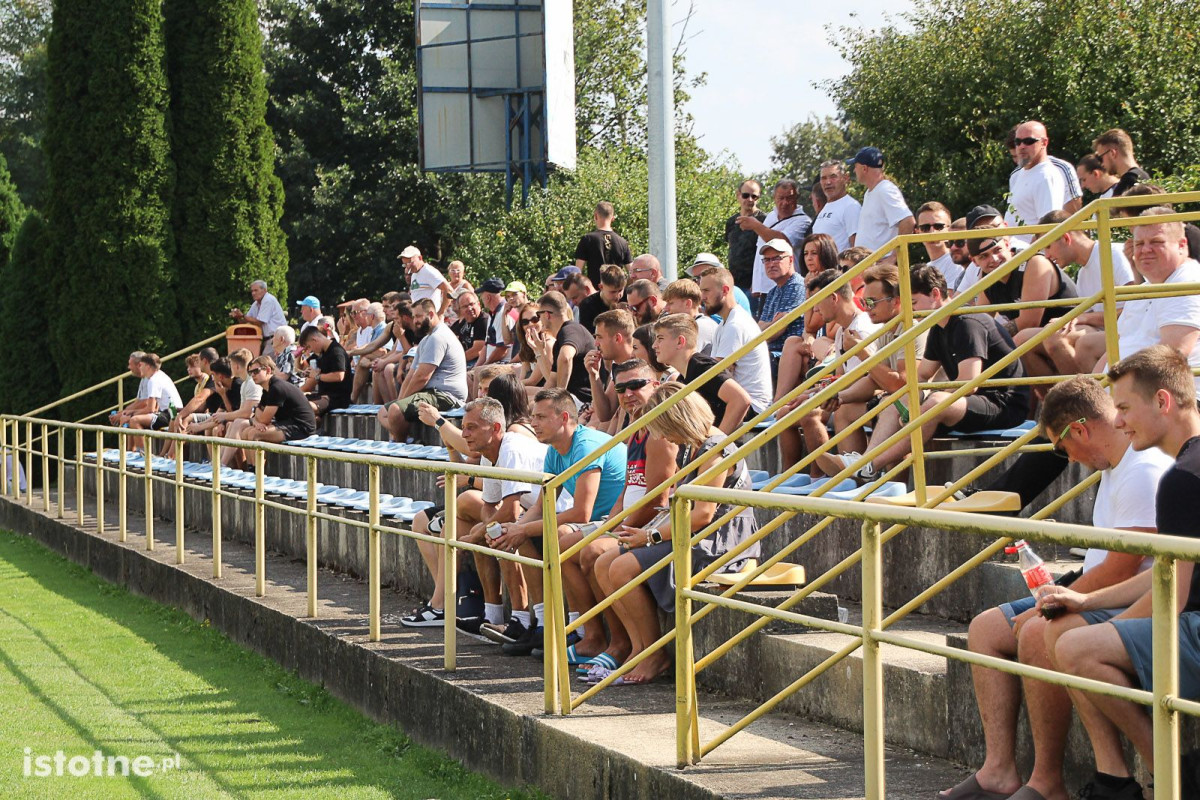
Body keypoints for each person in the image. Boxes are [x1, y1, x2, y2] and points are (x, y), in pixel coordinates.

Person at [940, 375, 1172, 800]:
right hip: (1102, 588)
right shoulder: (1117, 465)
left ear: (1079, 430)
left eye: (1061, 448)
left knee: (1037, 631)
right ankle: (998, 772)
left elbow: (1121, 571)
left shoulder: (1142, 470)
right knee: (986, 629)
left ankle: (1048, 782)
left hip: (1132, 597)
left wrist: (1058, 603)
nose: (1069, 458)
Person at [1044, 347, 1200, 799]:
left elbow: (1174, 595)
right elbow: (1170, 573)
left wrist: (1104, 634)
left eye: (1126, 408)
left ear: (1164, 402)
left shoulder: (1182, 478)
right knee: (1074, 629)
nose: (1118, 421)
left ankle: (1169, 772)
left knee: (1074, 646)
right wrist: (1087, 601)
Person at [590, 383, 760, 684]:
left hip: (719, 540)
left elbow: (703, 515)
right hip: (695, 532)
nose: (661, 437)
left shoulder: (714, 448)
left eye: (663, 427)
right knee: (604, 562)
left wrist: (650, 536)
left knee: (622, 567)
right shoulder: (693, 446)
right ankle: (640, 648)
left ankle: (655, 653)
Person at [848, 264, 1029, 481]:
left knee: (935, 403)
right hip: (971, 402)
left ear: (935, 294)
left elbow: (969, 383)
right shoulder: (937, 326)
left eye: (913, 303)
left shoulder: (967, 322)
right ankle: (865, 465)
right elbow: (922, 376)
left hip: (1003, 404)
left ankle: (870, 466)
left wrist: (924, 402)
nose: (911, 312)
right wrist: (906, 402)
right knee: (898, 400)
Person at [488, 388, 628, 656]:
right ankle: (543, 624)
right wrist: (513, 530)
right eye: (532, 416)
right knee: (526, 534)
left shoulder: (585, 445)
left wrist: (522, 527)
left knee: (562, 534)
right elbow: (542, 506)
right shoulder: (554, 450)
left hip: (620, 520)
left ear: (563, 418)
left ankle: (587, 632)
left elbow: (582, 513)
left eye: (540, 417)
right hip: (600, 521)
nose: (533, 423)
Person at [401, 396, 551, 632]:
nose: (464, 434)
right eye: (463, 428)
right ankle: (493, 617)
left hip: (560, 513)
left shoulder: (511, 449)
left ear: (496, 428)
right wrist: (483, 531)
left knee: (502, 535)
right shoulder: (488, 452)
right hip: (539, 512)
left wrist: (480, 533)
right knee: (488, 532)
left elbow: (511, 511)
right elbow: (489, 506)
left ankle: (536, 623)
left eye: (471, 428)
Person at [567, 358, 674, 668]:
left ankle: (625, 643)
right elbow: (629, 490)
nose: (628, 394)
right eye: (621, 388)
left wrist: (618, 530)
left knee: (594, 554)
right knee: (563, 544)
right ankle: (597, 636)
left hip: (650, 523)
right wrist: (610, 524)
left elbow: (657, 499)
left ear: (656, 385)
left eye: (636, 385)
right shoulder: (636, 429)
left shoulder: (660, 434)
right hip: (629, 520)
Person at [783, 269, 881, 470]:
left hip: (865, 397)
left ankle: (824, 477)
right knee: (785, 412)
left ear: (834, 298)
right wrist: (810, 393)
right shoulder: (842, 332)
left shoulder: (861, 329)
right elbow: (841, 377)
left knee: (810, 413)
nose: (815, 308)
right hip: (850, 394)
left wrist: (816, 396)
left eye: (817, 301)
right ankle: (802, 475)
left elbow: (863, 379)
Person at [968, 231, 1079, 379]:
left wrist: (989, 339)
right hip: (1040, 337)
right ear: (974, 261)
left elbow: (1028, 322)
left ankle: (1069, 396)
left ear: (1007, 245)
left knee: (1020, 341)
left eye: (997, 250)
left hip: (1072, 326)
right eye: (984, 256)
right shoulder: (985, 277)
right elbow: (980, 323)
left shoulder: (1033, 262)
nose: (994, 259)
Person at [1038, 209, 1135, 374]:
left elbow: (1135, 309)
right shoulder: (1082, 274)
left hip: (1128, 333)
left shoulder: (1113, 254)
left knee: (1055, 338)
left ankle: (1083, 395)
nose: (1046, 255)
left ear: (1066, 238)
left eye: (1048, 246)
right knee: (1029, 339)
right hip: (1106, 332)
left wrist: (1080, 317)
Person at [383, 298, 467, 442]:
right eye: (414, 316)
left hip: (447, 395)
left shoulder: (438, 338)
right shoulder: (426, 339)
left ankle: (401, 445)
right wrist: (400, 401)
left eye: (419, 316)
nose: (415, 321)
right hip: (432, 393)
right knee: (383, 412)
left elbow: (422, 377)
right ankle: (407, 439)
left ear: (432, 314)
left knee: (395, 411)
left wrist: (399, 405)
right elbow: (411, 375)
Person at [653, 313, 752, 434]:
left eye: (660, 339)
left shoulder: (701, 366)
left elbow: (741, 399)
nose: (654, 345)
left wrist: (716, 443)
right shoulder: (682, 378)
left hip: (726, 449)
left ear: (680, 341)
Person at [701, 267, 772, 414]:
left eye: (707, 291)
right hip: (742, 402)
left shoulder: (735, 325)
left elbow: (718, 374)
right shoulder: (725, 323)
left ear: (725, 290)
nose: (703, 297)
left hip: (752, 406)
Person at [744, 179, 813, 305]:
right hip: (763, 290)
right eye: (781, 198)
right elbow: (761, 250)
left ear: (797, 198)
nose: (785, 203)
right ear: (774, 198)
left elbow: (782, 241)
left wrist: (755, 225)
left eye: (790, 198)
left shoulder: (803, 221)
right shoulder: (771, 216)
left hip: (785, 287)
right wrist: (756, 284)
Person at [1005, 120, 1072, 239]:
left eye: (1028, 141)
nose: (1021, 146)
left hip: (1030, 253)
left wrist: (1031, 255)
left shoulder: (1046, 175)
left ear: (1044, 143)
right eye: (1018, 142)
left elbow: (1048, 227)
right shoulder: (1019, 175)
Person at [529, 291, 597, 405]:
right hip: (574, 399)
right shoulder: (562, 336)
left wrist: (559, 400)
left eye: (538, 315)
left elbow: (565, 357)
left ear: (547, 314)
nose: (539, 320)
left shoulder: (570, 330)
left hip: (583, 402)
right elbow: (552, 380)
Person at [848, 147, 915, 258]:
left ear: (864, 168)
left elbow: (908, 221)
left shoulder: (885, 190)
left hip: (879, 266)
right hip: (870, 265)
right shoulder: (872, 191)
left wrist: (893, 258)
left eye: (855, 166)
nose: (854, 171)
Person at [239, 356, 317, 444]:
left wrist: (256, 422)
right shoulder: (267, 389)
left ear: (268, 370)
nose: (252, 375)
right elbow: (258, 415)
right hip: (288, 424)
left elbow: (264, 420)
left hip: (302, 428)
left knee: (253, 434)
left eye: (256, 371)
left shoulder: (277, 388)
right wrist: (256, 422)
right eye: (250, 372)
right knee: (246, 432)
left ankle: (257, 458)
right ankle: (252, 459)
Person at [584, 308, 637, 431]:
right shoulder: (619, 365)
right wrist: (594, 376)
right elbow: (605, 414)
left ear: (617, 338)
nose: (596, 343)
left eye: (599, 337)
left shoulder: (638, 366)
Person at [755, 238, 806, 352]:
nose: (771, 264)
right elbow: (758, 329)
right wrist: (772, 323)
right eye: (767, 260)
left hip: (785, 354)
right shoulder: (772, 292)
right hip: (770, 352)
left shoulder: (797, 285)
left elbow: (777, 330)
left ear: (791, 260)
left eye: (777, 258)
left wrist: (772, 324)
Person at [126, 353, 185, 452]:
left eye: (141, 365)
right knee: (132, 418)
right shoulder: (159, 375)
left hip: (171, 413)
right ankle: (133, 451)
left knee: (134, 420)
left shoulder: (153, 380)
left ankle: (143, 454)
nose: (140, 368)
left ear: (148, 366)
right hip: (173, 411)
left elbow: (151, 409)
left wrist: (131, 414)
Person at [298, 325, 354, 426]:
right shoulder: (321, 353)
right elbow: (302, 366)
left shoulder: (336, 351)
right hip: (322, 394)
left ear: (315, 340)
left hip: (337, 398)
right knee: (294, 401)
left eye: (309, 347)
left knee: (305, 407)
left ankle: (313, 421)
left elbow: (339, 376)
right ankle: (315, 420)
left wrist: (318, 376)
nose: (310, 351)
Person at [574, 201, 632, 285]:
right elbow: (632, 273)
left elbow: (578, 272)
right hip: (616, 293)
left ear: (595, 216)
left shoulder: (587, 239)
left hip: (595, 292)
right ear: (613, 218)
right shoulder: (622, 242)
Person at [725, 179, 766, 293]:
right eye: (746, 195)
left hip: (754, 285)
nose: (750, 199)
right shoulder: (731, 222)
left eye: (754, 196)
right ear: (738, 195)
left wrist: (757, 283)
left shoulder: (764, 221)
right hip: (734, 284)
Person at [812, 160, 861, 251]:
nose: (828, 182)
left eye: (833, 177)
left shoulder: (850, 206)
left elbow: (857, 249)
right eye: (823, 178)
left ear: (845, 178)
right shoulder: (825, 208)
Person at [230, 279, 287, 355]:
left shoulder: (268, 300)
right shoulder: (256, 304)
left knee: (265, 363)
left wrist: (242, 315)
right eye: (252, 291)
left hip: (277, 338)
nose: (253, 293)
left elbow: (259, 322)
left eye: (256, 290)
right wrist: (238, 316)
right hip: (269, 339)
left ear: (264, 290)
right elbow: (245, 321)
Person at [915, 201, 964, 289]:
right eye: (925, 228)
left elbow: (950, 300)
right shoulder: (927, 267)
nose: (932, 232)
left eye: (938, 226)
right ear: (917, 232)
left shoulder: (955, 262)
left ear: (949, 229)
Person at [1092, 128, 1150, 198]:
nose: (1101, 164)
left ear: (1112, 153)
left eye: (1100, 158)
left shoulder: (1127, 182)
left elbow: (1115, 209)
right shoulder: (1145, 177)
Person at [662, 279, 716, 354]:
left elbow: (684, 358)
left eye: (670, 303)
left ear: (688, 303)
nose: (665, 308)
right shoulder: (692, 325)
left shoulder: (701, 326)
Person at [577, 264, 627, 334]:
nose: (618, 295)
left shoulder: (628, 297)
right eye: (613, 292)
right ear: (601, 287)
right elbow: (587, 335)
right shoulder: (587, 305)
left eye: (620, 290)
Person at [449, 291, 487, 364]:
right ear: (460, 310)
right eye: (465, 306)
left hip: (476, 362)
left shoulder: (483, 321)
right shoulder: (464, 321)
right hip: (464, 360)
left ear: (479, 304)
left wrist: (453, 361)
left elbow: (477, 350)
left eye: (471, 304)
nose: (469, 308)